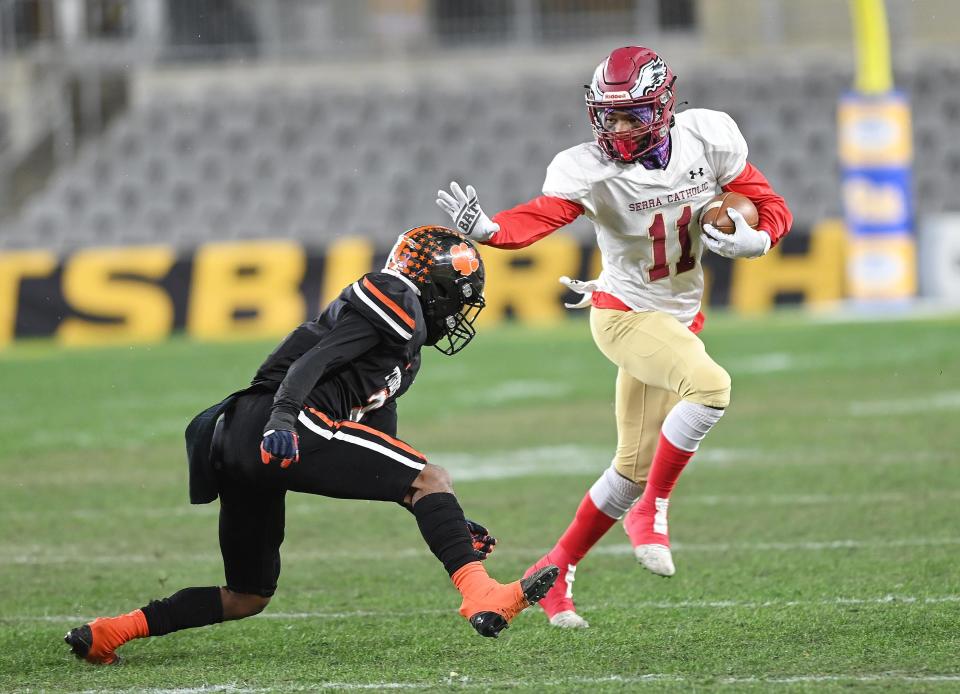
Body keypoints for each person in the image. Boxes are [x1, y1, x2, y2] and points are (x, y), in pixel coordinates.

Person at [64, 226, 559, 665]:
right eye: (455, 295)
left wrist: (448, 517)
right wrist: (282, 418)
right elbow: (317, 358)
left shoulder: (401, 356)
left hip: (238, 438)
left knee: (247, 595)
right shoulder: (397, 293)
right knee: (430, 477)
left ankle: (108, 633)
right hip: (280, 419)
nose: (457, 310)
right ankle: (484, 596)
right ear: (432, 287)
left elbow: (382, 446)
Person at [436, 46, 792, 629]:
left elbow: (770, 204)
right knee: (711, 387)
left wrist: (758, 239)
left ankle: (549, 579)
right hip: (625, 315)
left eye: (632, 115)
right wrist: (493, 230)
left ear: (664, 107)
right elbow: (542, 215)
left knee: (628, 469)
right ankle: (653, 506)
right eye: (609, 115)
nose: (618, 128)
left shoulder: (708, 138)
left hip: (674, 317)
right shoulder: (587, 167)